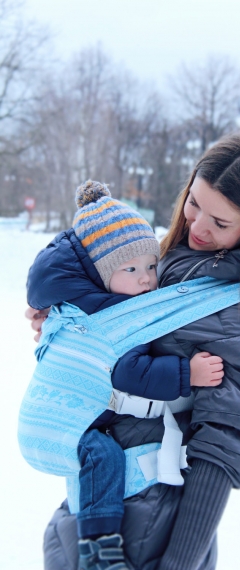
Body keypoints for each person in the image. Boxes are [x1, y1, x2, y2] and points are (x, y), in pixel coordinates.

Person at [27, 129, 240, 570]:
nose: (197, 226)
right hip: (93, 508)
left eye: (221, 222)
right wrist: (68, 328)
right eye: (194, 203)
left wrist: (178, 563)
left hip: (146, 538)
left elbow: (222, 452)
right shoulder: (162, 267)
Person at [25, 180, 224, 570]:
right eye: (130, 269)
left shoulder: (111, 301)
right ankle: (99, 545)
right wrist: (188, 373)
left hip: (85, 416)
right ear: (102, 276)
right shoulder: (114, 317)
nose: (147, 278)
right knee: (105, 459)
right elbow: (131, 372)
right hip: (73, 421)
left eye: (151, 266)